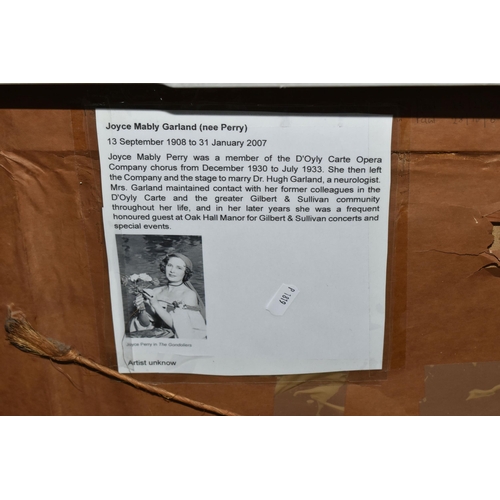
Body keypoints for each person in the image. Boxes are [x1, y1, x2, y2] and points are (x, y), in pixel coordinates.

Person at [129, 253, 206, 339]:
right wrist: (142, 308)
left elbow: (183, 329)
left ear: (186, 272)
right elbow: (145, 324)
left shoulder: (188, 295)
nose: (172, 270)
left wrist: (155, 304)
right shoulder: (156, 291)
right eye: (169, 265)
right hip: (156, 335)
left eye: (179, 268)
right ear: (164, 266)